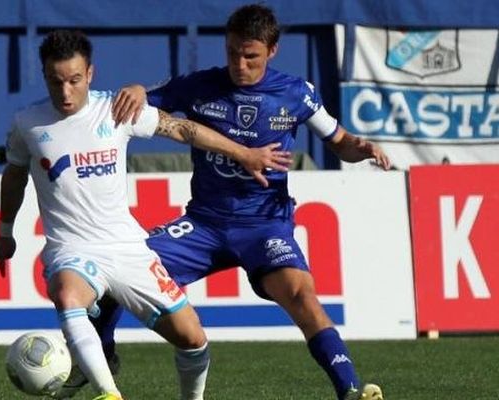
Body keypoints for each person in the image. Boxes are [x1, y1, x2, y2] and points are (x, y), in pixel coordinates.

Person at [87, 4, 392, 400]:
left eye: (251, 56)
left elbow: (341, 142)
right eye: (233, 52)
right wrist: (139, 89)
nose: (240, 64)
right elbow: (151, 99)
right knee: (119, 273)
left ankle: (350, 390)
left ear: (272, 51)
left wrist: (362, 147)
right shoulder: (200, 86)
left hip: (265, 226)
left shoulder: (296, 94)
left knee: (302, 295)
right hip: (204, 224)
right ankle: (103, 356)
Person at [0, 29, 292, 400]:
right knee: (68, 295)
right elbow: (15, 175)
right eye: (57, 83)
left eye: (74, 80)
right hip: (71, 248)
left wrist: (244, 154)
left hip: (128, 248)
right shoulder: (27, 122)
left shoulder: (117, 110)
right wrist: (5, 231)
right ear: (45, 77)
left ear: (90, 74)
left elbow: (183, 129)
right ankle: (108, 394)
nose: (66, 92)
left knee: (192, 338)